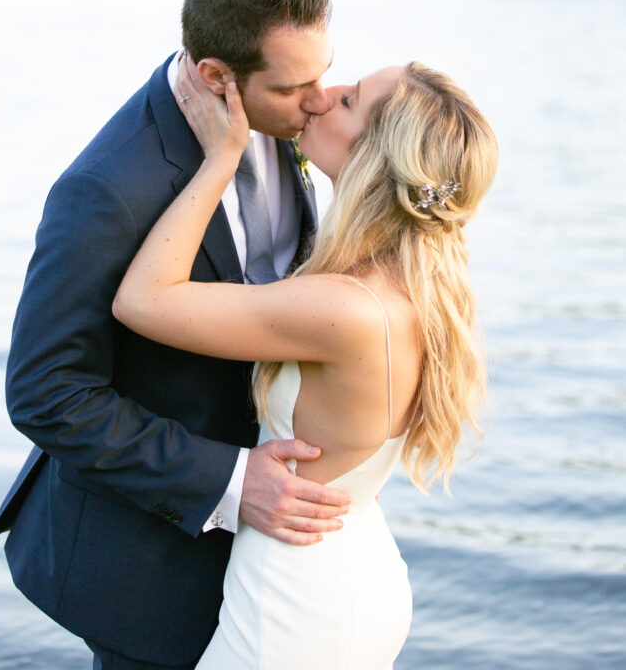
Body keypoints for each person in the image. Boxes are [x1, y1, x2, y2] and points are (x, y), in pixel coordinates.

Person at [0, 0, 354, 670]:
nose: (319, 101)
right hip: (145, 562)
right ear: (215, 77)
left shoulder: (287, 119)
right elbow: (46, 393)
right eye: (293, 87)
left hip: (270, 554)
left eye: (323, 73)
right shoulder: (108, 188)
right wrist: (232, 480)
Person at [113, 56, 498, 670]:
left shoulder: (347, 307)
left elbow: (143, 300)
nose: (325, 94)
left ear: (375, 157)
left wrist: (221, 159)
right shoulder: (411, 284)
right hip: (349, 569)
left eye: (350, 101)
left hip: (296, 606)